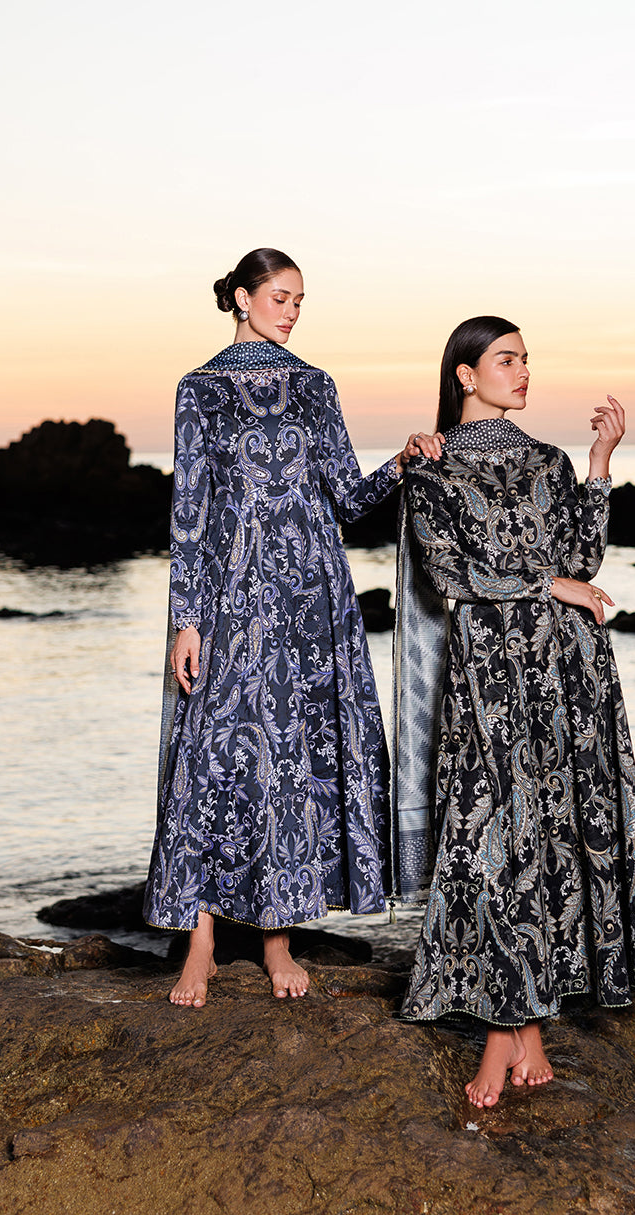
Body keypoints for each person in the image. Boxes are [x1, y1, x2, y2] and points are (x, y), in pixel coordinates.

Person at [144, 247, 440, 1007]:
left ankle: (278, 941)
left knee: (292, 761)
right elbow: (190, 513)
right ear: (243, 298)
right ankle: (201, 943)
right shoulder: (200, 389)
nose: (292, 312)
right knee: (211, 759)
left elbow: (348, 496)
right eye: (280, 297)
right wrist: (187, 620)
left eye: (300, 300)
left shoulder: (315, 385)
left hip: (313, 601)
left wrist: (403, 462)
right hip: (233, 599)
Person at [391, 316, 635, 1108]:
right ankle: (506, 1027)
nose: (522, 372)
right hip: (489, 673)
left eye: (526, 360)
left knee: (552, 834)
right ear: (465, 374)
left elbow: (584, 561)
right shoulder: (431, 466)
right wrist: (548, 584)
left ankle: (525, 1025)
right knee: (490, 836)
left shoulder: (550, 460)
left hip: (570, 667)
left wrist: (600, 461)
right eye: (506, 359)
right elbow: (450, 574)